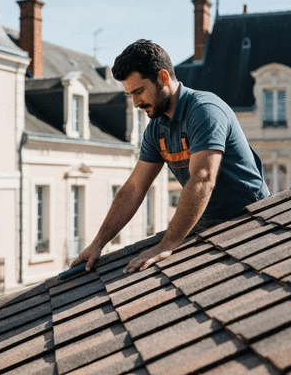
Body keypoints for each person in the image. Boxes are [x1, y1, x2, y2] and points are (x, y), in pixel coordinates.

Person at [71, 39, 270, 274]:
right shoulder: (156, 129)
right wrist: (97, 244)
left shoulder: (204, 111)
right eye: (130, 95)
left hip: (251, 221)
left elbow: (203, 179)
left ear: (163, 78)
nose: (135, 103)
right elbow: (134, 188)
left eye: (139, 91)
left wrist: (165, 246)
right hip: (206, 225)